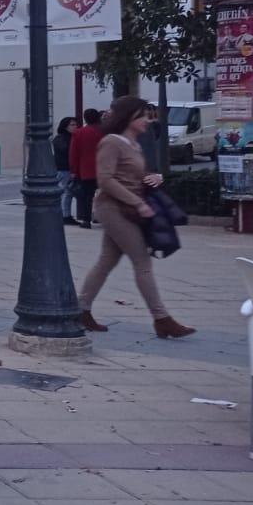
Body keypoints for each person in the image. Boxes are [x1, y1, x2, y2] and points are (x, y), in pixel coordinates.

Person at [77, 95, 195, 338]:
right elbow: (106, 179)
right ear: (128, 117)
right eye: (143, 115)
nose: (148, 120)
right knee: (142, 262)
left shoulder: (134, 144)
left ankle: (81, 310)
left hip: (128, 206)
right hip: (114, 208)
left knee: (106, 261)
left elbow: (133, 176)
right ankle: (162, 318)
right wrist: (138, 204)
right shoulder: (111, 142)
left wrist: (155, 178)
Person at [69, 108, 103, 228]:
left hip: (86, 170)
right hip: (103, 168)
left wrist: (73, 170)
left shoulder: (79, 133)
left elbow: (74, 153)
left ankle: (86, 220)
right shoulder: (104, 132)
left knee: (87, 197)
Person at [55, 116, 77, 225]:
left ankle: (64, 214)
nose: (75, 127)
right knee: (66, 192)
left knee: (67, 192)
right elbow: (65, 150)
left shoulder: (72, 137)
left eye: (75, 124)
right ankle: (65, 215)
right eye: (72, 125)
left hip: (68, 168)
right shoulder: (61, 138)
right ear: (65, 127)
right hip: (64, 168)